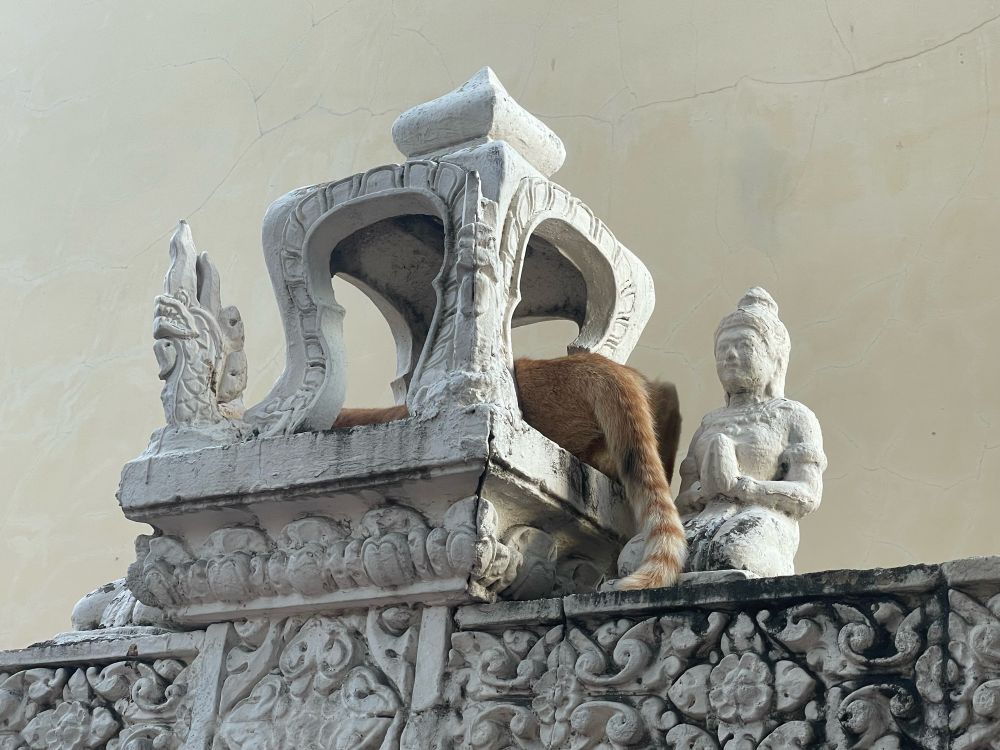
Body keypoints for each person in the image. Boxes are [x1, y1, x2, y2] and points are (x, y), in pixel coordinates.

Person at [674, 288, 827, 577]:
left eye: (744, 345)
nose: (729, 356)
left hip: (761, 516)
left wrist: (752, 489)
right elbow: (682, 499)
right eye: (722, 349)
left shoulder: (793, 416)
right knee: (635, 556)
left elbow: (808, 493)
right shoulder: (709, 422)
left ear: (775, 360)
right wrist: (697, 494)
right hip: (704, 516)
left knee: (732, 553)